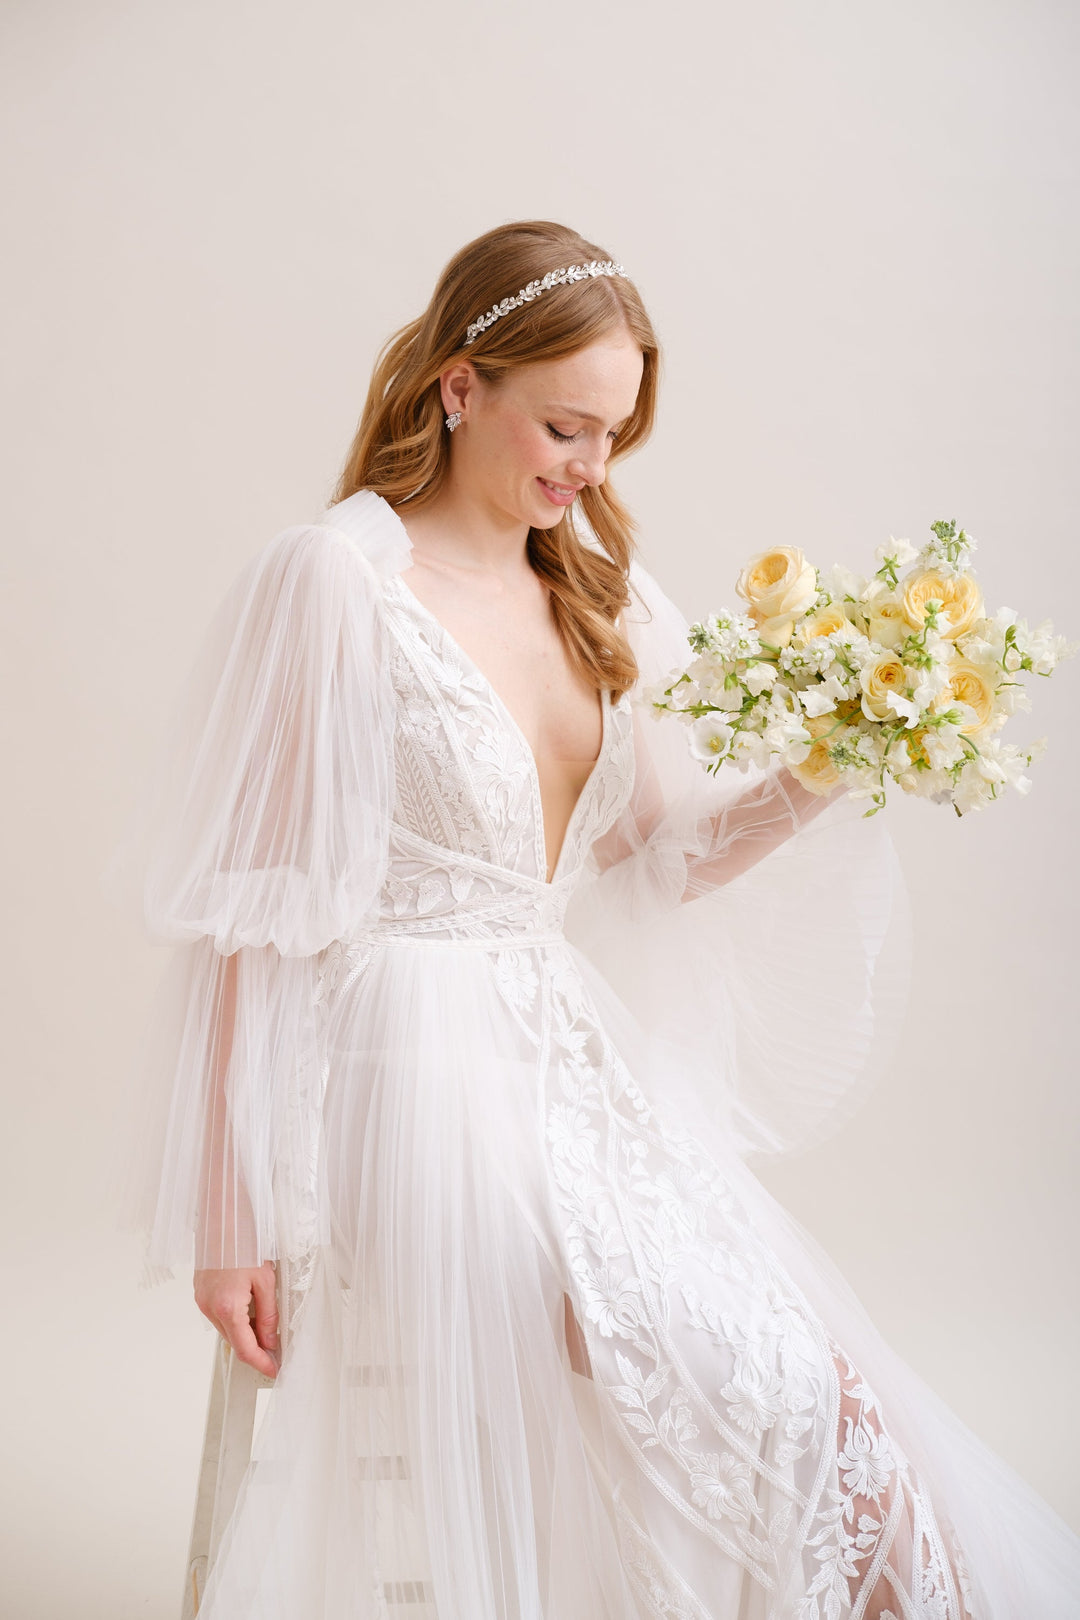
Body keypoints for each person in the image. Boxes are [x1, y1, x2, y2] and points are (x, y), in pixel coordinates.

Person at [111, 220, 1080, 1617]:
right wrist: (230, 1216)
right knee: (699, 1361)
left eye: (614, 436)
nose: (591, 467)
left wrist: (830, 763)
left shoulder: (591, 589)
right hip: (399, 1073)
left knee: (814, 1388)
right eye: (566, 426)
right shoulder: (335, 582)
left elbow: (655, 866)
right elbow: (250, 919)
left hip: (556, 1055)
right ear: (461, 388)